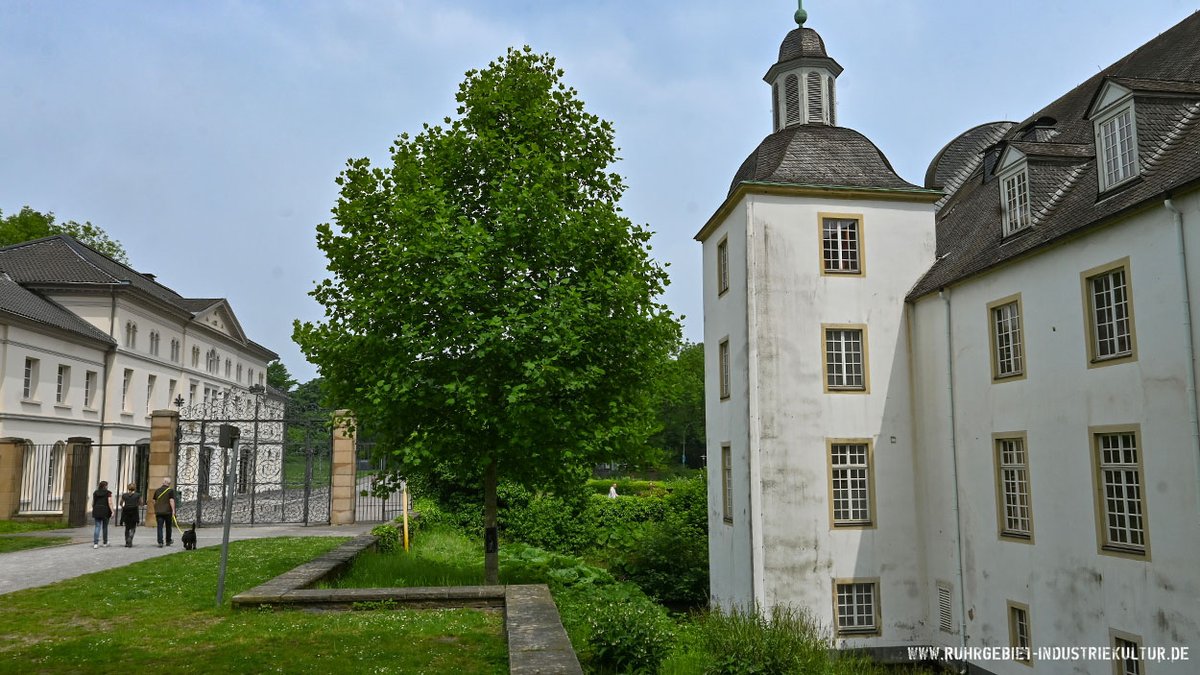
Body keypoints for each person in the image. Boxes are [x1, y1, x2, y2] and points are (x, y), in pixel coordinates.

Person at [152, 478, 177, 548]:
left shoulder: (157, 490)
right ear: (169, 483)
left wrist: (156, 508)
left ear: (164, 482)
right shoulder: (170, 491)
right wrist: (173, 510)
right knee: (168, 527)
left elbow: (154, 501)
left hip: (159, 512)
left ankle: (160, 542)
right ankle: (168, 540)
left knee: (159, 527)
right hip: (167, 512)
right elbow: (171, 501)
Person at [91, 481, 114, 548]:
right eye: (107, 485)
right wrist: (112, 511)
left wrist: (94, 508)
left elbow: (93, 503)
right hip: (105, 510)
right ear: (105, 486)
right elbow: (110, 502)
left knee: (97, 526)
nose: (107, 487)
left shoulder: (95, 492)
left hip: (97, 510)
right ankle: (105, 542)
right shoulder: (108, 493)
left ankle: (95, 543)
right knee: (105, 527)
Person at [119, 483, 141, 548]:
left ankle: (127, 541)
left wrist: (124, 507)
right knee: (133, 527)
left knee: (127, 528)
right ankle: (130, 537)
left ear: (128, 488)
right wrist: (137, 505)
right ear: (135, 488)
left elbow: (121, 503)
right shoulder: (138, 495)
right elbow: (141, 503)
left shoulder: (124, 495)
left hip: (126, 512)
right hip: (134, 512)